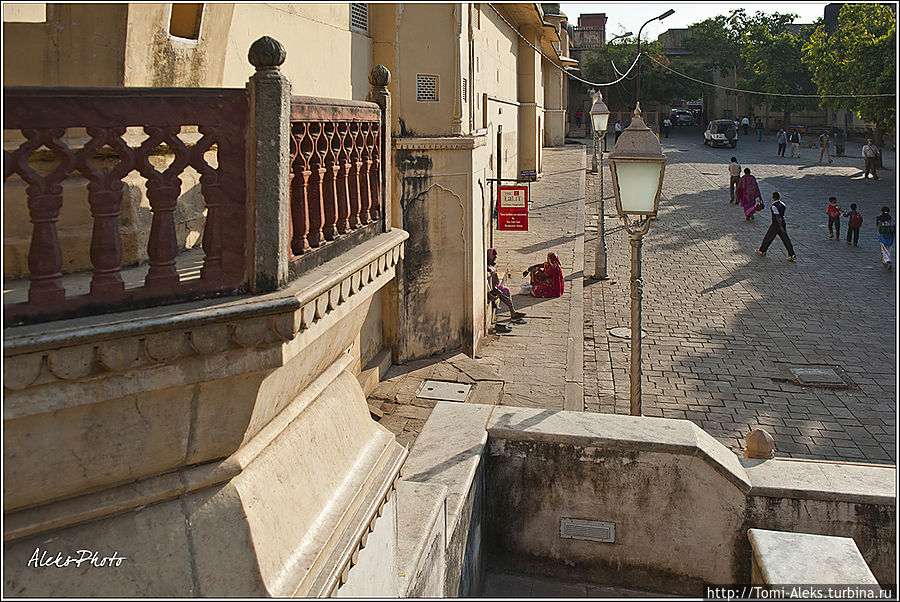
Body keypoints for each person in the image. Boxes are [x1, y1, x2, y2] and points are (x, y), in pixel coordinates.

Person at [756, 192, 796, 261]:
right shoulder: (782, 204)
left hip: (776, 224)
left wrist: (780, 226)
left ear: (773, 197)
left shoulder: (774, 206)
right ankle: (792, 254)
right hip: (782, 222)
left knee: (768, 237)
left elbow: (777, 216)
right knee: (786, 239)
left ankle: (762, 250)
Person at [487, 249, 525, 319]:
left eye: (496, 255)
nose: (495, 256)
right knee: (501, 293)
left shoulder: (491, 265)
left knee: (505, 290)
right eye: (493, 255)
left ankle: (513, 311)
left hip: (494, 287)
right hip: (490, 289)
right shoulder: (488, 268)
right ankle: (513, 312)